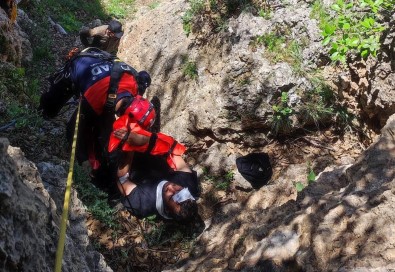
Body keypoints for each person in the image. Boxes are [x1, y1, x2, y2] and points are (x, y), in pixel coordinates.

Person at [39, 47, 152, 195]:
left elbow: (145, 76)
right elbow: (73, 129)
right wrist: (83, 160)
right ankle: (37, 121)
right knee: (48, 110)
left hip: (101, 60)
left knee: (103, 123)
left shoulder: (136, 84)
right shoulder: (94, 99)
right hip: (79, 65)